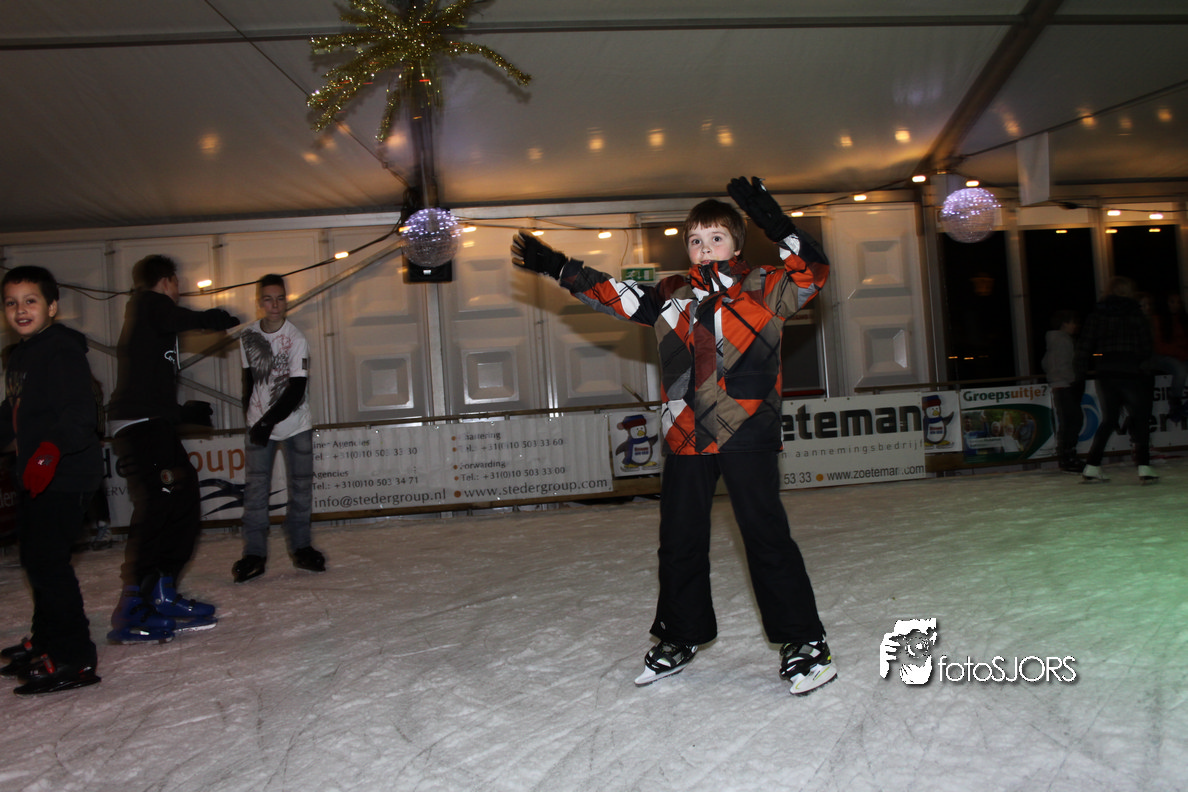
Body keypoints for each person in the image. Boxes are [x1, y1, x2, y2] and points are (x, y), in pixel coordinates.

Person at [511, 176, 835, 695]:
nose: (705, 248)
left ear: (736, 244)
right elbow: (615, 295)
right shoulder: (671, 294)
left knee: (765, 537)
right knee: (679, 540)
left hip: (747, 432)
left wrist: (775, 223)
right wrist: (559, 267)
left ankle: (804, 641)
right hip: (686, 436)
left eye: (716, 238)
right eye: (695, 239)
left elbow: (813, 271)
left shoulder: (766, 288)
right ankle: (681, 635)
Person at [106, 254, 239, 643]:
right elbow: (172, 316)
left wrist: (181, 413)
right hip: (140, 425)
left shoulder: (150, 320)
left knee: (184, 500)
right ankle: (134, 601)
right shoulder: (149, 304)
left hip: (153, 422)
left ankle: (162, 590)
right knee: (160, 504)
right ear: (167, 281)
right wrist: (209, 318)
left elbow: (148, 383)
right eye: (177, 283)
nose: (178, 290)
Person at [0, 266, 103, 694]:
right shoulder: (21, 355)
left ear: (52, 307)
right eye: (12, 303)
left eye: (31, 301)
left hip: (65, 473)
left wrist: (48, 452)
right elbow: (13, 415)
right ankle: (45, 640)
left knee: (49, 563)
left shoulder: (61, 351)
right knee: (35, 560)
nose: (21, 310)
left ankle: (74, 656)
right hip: (34, 474)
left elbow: (80, 413)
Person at [232, 274, 324, 583]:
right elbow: (248, 381)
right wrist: (251, 418)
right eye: (268, 299)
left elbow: (296, 389)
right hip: (259, 426)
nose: (275, 305)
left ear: (286, 301)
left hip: (295, 424)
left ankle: (301, 547)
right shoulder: (248, 337)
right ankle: (254, 554)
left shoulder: (296, 339)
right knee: (256, 491)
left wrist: (265, 422)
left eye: (280, 298)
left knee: (301, 489)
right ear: (259, 302)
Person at [1075, 277, 1156, 483]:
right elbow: (1147, 346)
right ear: (1130, 292)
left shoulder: (1098, 315)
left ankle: (1092, 466)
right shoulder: (1136, 315)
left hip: (1106, 371)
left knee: (1109, 419)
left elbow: (1085, 344)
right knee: (1140, 418)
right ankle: (1144, 466)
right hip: (1131, 370)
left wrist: (1082, 370)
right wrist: (1140, 362)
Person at [1042, 310, 1084, 472]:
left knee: (1069, 421)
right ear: (1064, 323)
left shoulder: (1054, 341)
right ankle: (1068, 456)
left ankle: (1067, 455)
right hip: (1065, 384)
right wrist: (1072, 378)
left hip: (1059, 384)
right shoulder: (1063, 340)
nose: (1075, 326)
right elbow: (1061, 364)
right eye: (1073, 322)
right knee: (1073, 420)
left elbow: (1046, 362)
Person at [1146, 291, 1188, 423]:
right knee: (1180, 370)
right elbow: (1159, 346)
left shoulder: (1182, 320)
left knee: (1181, 368)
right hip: (1162, 356)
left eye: (1178, 302)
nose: (1175, 305)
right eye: (1172, 302)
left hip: (1178, 355)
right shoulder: (1157, 320)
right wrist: (1181, 353)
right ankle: (1175, 402)